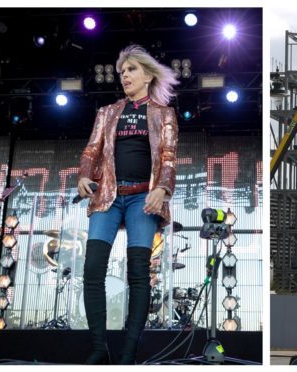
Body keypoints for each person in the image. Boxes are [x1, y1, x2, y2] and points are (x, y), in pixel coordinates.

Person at [77, 44, 179, 364]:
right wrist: (83, 176)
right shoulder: (107, 113)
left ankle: (128, 352)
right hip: (108, 196)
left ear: (148, 75)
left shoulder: (163, 114)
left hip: (142, 200)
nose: (125, 76)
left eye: (132, 69)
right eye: (122, 71)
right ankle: (99, 348)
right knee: (93, 268)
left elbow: (168, 157)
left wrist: (162, 189)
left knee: (138, 271)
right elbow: (91, 151)